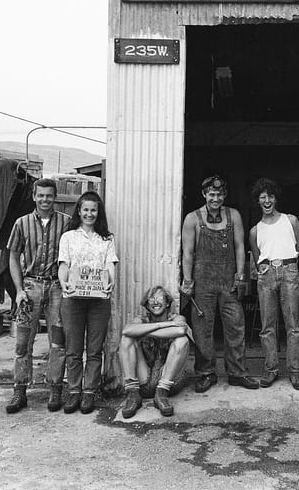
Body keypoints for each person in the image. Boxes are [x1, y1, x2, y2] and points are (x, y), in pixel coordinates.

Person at [181, 175, 259, 392]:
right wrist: (188, 281)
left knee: (235, 326)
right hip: (202, 282)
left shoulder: (233, 215)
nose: (215, 198)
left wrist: (240, 275)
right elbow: (187, 253)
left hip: (229, 281)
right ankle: (206, 373)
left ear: (225, 195)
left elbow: (240, 247)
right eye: (211, 194)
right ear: (204, 194)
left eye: (219, 194)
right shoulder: (192, 219)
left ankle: (237, 373)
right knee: (202, 329)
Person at [5, 178, 71, 414]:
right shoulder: (21, 223)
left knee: (58, 341)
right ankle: (19, 390)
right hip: (30, 286)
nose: (45, 200)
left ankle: (55, 389)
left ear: (55, 197)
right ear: (34, 196)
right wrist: (19, 290)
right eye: (40, 195)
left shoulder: (66, 222)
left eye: (49, 195)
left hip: (56, 287)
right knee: (23, 342)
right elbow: (12, 256)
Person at [57, 191, 118, 414]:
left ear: (98, 212)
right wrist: (63, 282)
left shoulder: (106, 238)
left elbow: (110, 263)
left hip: (98, 300)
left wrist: (110, 281)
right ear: (79, 211)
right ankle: (74, 392)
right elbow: (64, 263)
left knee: (94, 349)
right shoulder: (69, 237)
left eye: (93, 210)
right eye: (86, 210)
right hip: (73, 299)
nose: (89, 214)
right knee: (73, 349)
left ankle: (89, 392)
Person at [248, 178, 299, 390]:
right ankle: (271, 369)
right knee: (267, 326)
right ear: (258, 201)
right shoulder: (255, 231)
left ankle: (295, 371)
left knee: (293, 325)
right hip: (266, 274)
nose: (267, 200)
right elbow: (256, 257)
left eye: (270, 196)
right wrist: (266, 270)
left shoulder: (291, 220)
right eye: (262, 197)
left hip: (289, 271)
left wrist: (286, 267)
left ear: (276, 198)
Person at [118, 285, 191, 418]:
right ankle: (133, 394)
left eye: (159, 298)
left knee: (182, 340)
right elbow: (126, 331)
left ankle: (161, 395)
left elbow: (180, 330)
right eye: (151, 298)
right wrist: (161, 325)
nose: (155, 302)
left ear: (168, 302)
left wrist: (145, 331)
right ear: (147, 304)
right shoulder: (140, 320)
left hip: (169, 383)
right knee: (126, 339)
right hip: (144, 379)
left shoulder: (176, 318)